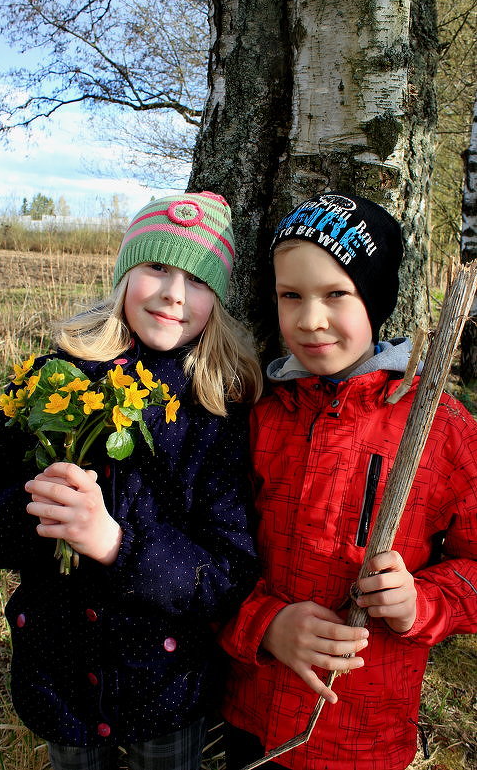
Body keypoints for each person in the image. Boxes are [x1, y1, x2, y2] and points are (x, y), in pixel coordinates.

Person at [0, 191, 263, 770]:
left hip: (167, 688)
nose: (173, 293)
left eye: (197, 279)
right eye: (157, 267)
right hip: (58, 679)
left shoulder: (216, 413)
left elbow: (227, 574)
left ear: (217, 300)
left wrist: (115, 544)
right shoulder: (50, 381)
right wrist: (38, 509)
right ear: (124, 274)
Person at [220, 192, 477, 770]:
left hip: (365, 733)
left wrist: (422, 603)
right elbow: (211, 554)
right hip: (253, 714)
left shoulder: (438, 426)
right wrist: (264, 625)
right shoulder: (258, 414)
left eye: (337, 294)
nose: (310, 320)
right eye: (291, 296)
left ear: (377, 299)